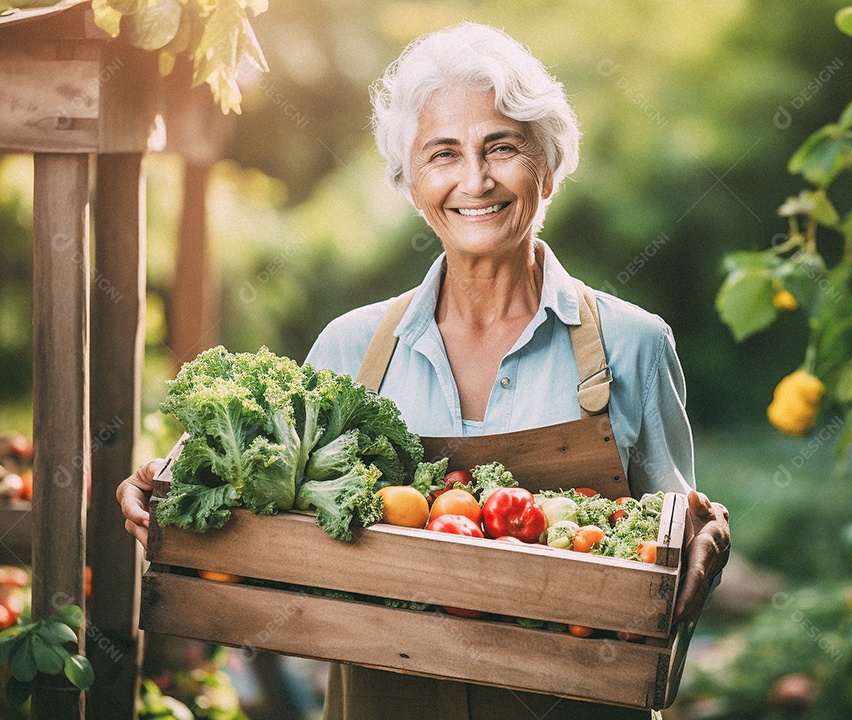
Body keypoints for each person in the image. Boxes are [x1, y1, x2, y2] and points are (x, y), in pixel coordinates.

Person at [119, 22, 730, 720]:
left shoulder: (634, 347)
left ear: (550, 167)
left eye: (503, 147)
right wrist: (171, 490)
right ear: (411, 184)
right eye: (443, 154)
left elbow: (677, 542)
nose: (476, 179)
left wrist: (708, 543)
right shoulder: (350, 352)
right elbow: (266, 515)